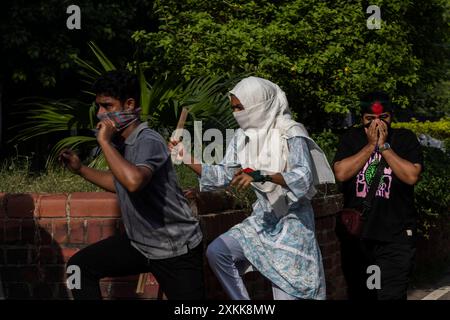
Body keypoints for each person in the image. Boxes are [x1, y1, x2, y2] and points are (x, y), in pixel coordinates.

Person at [169, 76, 335, 300]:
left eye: (241, 107)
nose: (237, 113)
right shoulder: (242, 137)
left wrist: (261, 174)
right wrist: (185, 156)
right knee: (218, 252)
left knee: (288, 290)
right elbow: (225, 174)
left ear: (260, 104)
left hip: (292, 225)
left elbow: (302, 176)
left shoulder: (291, 132)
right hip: (263, 219)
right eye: (234, 108)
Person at [60, 70, 204, 300]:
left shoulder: (149, 140)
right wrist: (80, 169)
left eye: (107, 106)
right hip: (140, 244)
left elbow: (134, 182)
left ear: (129, 104)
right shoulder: (121, 142)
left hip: (174, 248)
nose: (100, 114)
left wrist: (104, 142)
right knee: (79, 267)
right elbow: (120, 182)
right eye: (98, 106)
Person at [333, 91, 423, 300]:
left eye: (383, 118)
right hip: (360, 237)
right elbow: (341, 173)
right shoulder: (351, 139)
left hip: (396, 237)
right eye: (370, 119)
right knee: (363, 294)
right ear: (362, 119)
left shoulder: (404, 139)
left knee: (390, 295)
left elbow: (411, 176)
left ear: (391, 116)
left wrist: (383, 147)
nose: (377, 124)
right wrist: (369, 147)